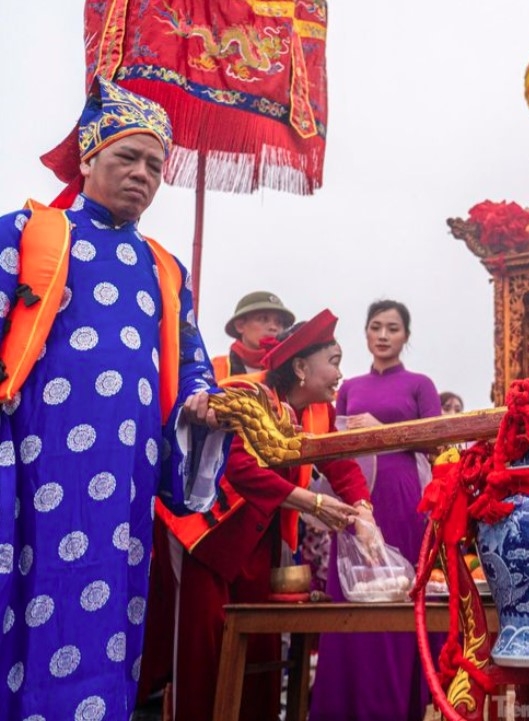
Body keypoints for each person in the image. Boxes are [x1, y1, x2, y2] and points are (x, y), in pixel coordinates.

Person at [0, 77, 226, 720]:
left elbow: (190, 368)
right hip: (29, 469)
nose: (143, 174)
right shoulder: (28, 233)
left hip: (120, 485)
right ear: (89, 158)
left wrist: (207, 408)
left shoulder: (164, 268)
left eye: (155, 164)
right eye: (127, 157)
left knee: (108, 618)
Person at [147, 309, 376, 721]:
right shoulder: (246, 393)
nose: (341, 374)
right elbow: (238, 466)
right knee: (204, 657)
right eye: (335, 361)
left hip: (257, 543)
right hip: (207, 536)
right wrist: (312, 502)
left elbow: (340, 463)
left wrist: (364, 512)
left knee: (259, 651)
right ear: (302, 367)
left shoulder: (318, 411)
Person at [309, 299, 443, 721]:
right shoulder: (348, 388)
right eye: (376, 327)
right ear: (366, 333)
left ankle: (398, 703)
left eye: (393, 328)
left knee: (398, 590)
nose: (383, 336)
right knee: (353, 585)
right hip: (358, 496)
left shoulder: (420, 384)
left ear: (406, 336)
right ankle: (344, 703)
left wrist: (385, 432)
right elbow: (336, 441)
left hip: (403, 496)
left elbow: (436, 441)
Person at [210, 290, 295, 380]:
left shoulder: (293, 370)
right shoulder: (215, 368)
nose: (273, 327)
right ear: (240, 325)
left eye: (279, 322)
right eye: (263, 319)